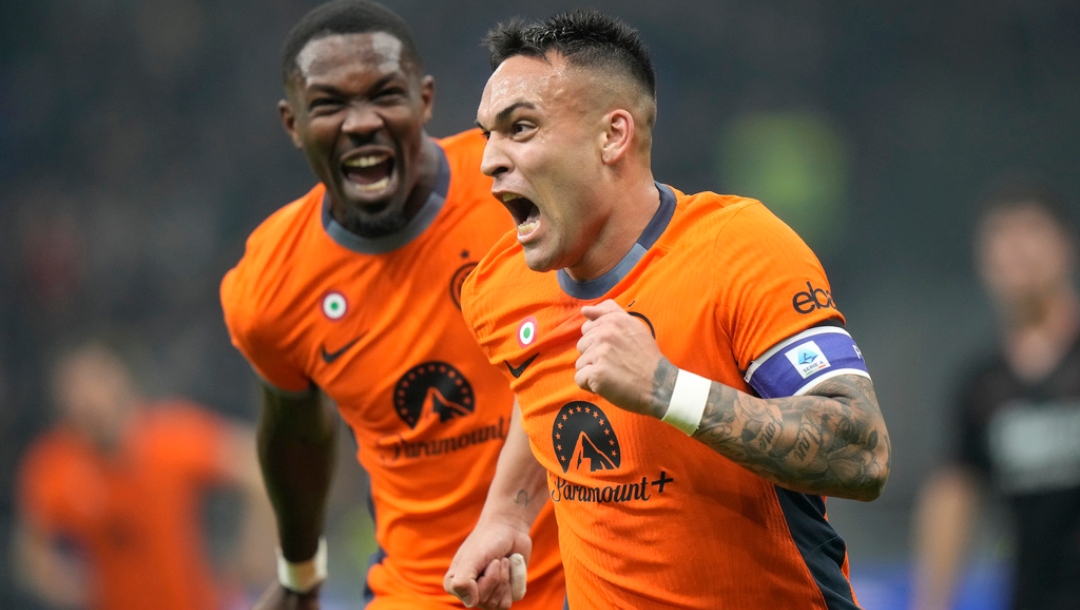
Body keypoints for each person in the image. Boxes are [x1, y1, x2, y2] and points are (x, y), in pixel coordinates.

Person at [443, 10, 892, 610]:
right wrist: (505, 513)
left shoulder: (738, 250)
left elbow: (861, 450)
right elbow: (541, 388)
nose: (489, 161)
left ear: (613, 136)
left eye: (520, 128)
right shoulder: (498, 287)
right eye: (486, 135)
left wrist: (668, 390)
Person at [218, 1, 564, 608]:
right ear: (293, 123)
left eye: (384, 95)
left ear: (424, 99)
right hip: (423, 588)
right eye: (329, 104)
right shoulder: (269, 285)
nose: (361, 123)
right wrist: (300, 574)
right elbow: (295, 435)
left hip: (579, 566)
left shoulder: (521, 188)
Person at [910, 180, 1080, 610]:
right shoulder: (982, 387)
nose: (1017, 251)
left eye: (1031, 233)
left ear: (1066, 247)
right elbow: (953, 494)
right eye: (1002, 237)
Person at [14, 339, 270, 610]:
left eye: (97, 385)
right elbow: (31, 548)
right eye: (78, 395)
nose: (91, 402)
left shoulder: (169, 437)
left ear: (121, 382)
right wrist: (63, 584)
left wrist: (256, 549)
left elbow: (258, 465)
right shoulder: (57, 464)